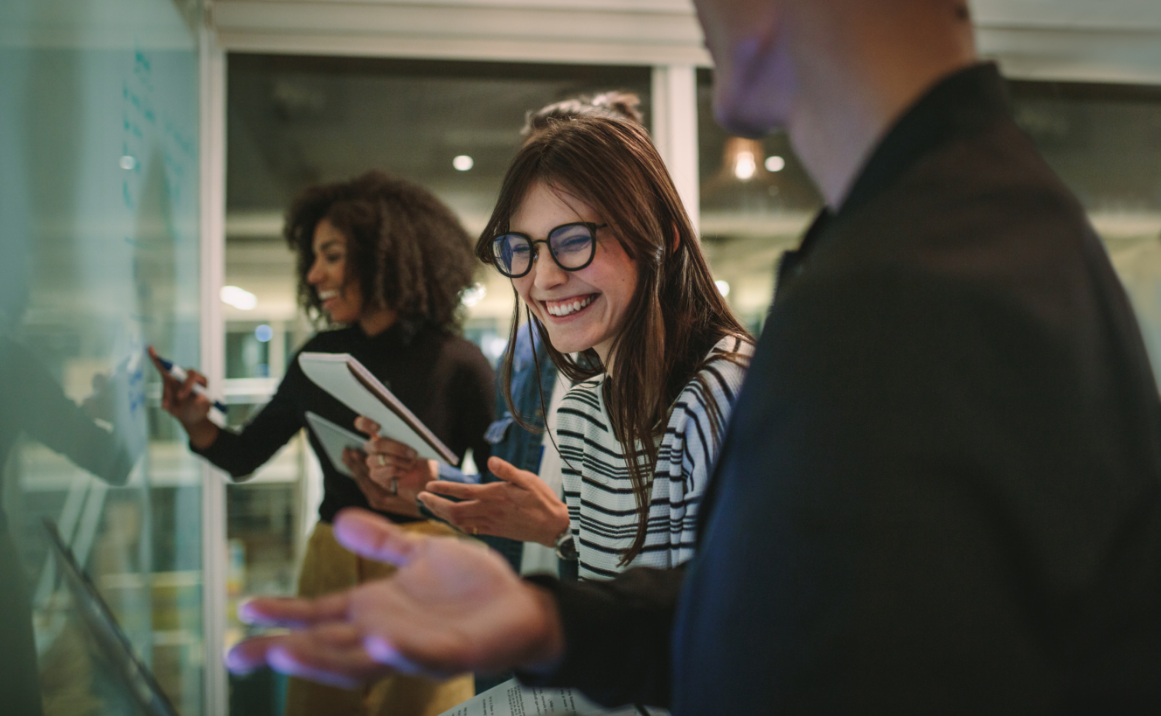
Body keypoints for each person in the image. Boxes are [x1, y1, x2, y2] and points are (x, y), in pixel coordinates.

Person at [226, 0, 1161, 712]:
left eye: (574, 242)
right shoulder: (955, 235)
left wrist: (551, 610)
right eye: (521, 250)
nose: (703, 22)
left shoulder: (916, 283)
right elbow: (765, 610)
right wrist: (548, 610)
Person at [155, 170, 493, 716]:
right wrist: (197, 421)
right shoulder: (316, 358)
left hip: (426, 569)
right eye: (313, 258)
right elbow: (244, 455)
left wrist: (434, 489)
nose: (314, 275)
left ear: (384, 256)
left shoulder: (459, 363)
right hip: (331, 564)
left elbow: (497, 491)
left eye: (331, 256)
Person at [363, 91, 649, 586]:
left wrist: (563, 534)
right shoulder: (529, 357)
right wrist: (433, 483)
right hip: (523, 646)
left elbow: (681, 583)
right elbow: (520, 511)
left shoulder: (693, 385)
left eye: (574, 232)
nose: (547, 275)